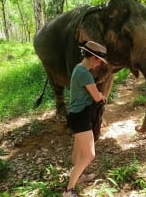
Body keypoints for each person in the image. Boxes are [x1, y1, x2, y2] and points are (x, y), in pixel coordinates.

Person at [63, 41, 108, 197]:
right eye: (100, 61)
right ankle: (68, 190)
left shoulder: (78, 68)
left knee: (78, 151)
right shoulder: (85, 73)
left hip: (76, 115)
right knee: (89, 154)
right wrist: (102, 96)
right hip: (80, 116)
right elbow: (96, 97)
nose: (99, 65)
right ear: (95, 58)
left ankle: (79, 177)